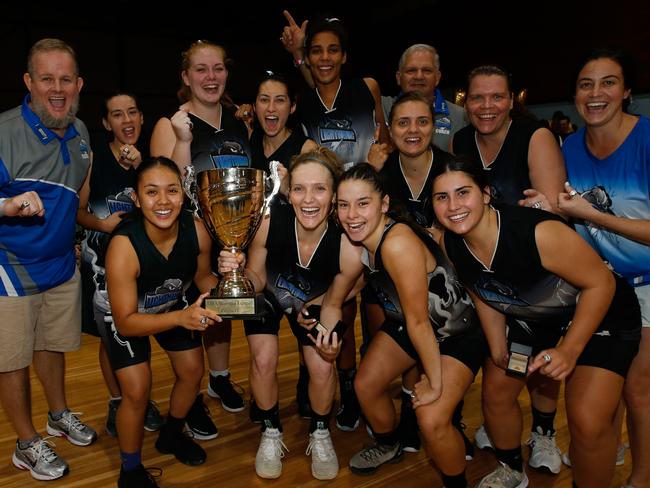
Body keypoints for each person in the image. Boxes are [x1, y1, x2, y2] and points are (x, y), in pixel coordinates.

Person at [431, 156, 641, 488]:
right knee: (497, 391)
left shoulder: (538, 232)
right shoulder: (452, 242)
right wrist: (498, 344)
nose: (453, 205)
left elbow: (601, 283)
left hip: (601, 311)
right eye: (441, 197)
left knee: (587, 420)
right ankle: (513, 469)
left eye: (463, 193)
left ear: (486, 194)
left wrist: (570, 350)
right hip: (536, 315)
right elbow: (483, 291)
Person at [332, 163, 485, 488]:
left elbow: (419, 321)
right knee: (366, 385)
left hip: (456, 333)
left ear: (383, 204)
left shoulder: (396, 243)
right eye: (343, 205)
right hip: (412, 326)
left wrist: (435, 383)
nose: (351, 214)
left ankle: (456, 484)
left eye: (363, 203)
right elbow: (354, 287)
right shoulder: (363, 241)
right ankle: (390, 444)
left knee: (431, 419)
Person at [217, 147, 364, 480]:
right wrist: (236, 272)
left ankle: (320, 431)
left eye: (319, 189)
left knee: (323, 367)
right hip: (269, 296)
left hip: (317, 301)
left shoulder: (348, 243)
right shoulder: (270, 221)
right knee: (263, 359)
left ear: (335, 193)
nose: (308, 198)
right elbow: (255, 280)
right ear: (288, 191)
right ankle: (270, 431)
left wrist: (328, 336)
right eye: (299, 188)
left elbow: (341, 296)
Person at [452, 64, 568, 474]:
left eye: (496, 96)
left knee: (536, 366)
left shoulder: (535, 137)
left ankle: (544, 434)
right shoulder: (462, 139)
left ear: (513, 100)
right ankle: (503, 433)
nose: (487, 106)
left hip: (537, 280)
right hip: (488, 277)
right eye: (478, 97)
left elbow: (553, 210)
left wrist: (528, 212)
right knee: (499, 361)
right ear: (466, 102)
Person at [280, 11, 389, 432]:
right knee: (335, 299)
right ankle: (335, 379)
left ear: (344, 55)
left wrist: (379, 160)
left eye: (332, 50)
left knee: (370, 302)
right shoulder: (303, 101)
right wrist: (297, 58)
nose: (325, 58)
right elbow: (313, 83)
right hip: (325, 213)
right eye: (316, 51)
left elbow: (381, 136)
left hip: (363, 211)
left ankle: (367, 381)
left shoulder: (367, 89)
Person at [0, 38, 97, 482]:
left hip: (60, 264)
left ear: (77, 84)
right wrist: (6, 207)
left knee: (52, 346)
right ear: (29, 82)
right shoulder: (3, 132)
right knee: (12, 359)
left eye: (65, 80)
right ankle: (25, 442)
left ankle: (58, 414)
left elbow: (74, 200)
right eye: (46, 79)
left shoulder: (81, 134)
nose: (57, 89)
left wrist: (79, 235)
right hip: (11, 268)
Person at [560, 48, 650, 488]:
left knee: (637, 389)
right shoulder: (567, 146)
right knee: (601, 397)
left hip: (647, 284)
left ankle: (641, 476)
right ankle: (605, 452)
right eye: (585, 84)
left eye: (608, 82)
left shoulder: (648, 140)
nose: (596, 93)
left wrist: (591, 215)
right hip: (593, 290)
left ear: (627, 91)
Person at [103, 156, 222, 488]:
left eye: (172, 190)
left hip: (172, 301)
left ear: (183, 195)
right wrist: (181, 318)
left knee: (192, 372)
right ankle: (129, 470)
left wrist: (238, 291)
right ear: (137, 199)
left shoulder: (197, 229)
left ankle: (171, 435)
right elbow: (126, 323)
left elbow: (202, 277)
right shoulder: (124, 246)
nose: (163, 201)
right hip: (124, 313)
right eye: (152, 192)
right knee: (138, 391)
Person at [150, 40, 247, 436]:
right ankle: (189, 399)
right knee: (191, 316)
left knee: (220, 309)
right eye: (202, 70)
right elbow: (164, 189)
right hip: (186, 238)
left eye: (218, 69)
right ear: (186, 76)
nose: (211, 77)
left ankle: (219, 376)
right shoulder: (168, 123)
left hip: (229, 237)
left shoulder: (239, 121)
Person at [77, 91, 163, 438]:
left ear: (141, 117)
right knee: (108, 337)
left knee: (138, 335)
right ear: (105, 123)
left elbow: (162, 210)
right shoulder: (94, 160)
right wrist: (103, 225)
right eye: (117, 114)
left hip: (141, 264)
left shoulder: (149, 163)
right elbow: (78, 212)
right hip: (101, 265)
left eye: (132, 112)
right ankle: (118, 400)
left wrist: (141, 167)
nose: (126, 121)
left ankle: (140, 396)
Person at [381, 43, 468, 152]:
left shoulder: (460, 117)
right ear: (399, 77)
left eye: (427, 70)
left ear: (437, 77)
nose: (419, 76)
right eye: (411, 70)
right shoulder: (381, 107)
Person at [249, 69, 318, 196]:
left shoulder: (307, 150)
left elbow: (320, 200)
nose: (271, 108)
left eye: (280, 100)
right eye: (264, 100)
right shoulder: (250, 140)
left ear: (292, 107)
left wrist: (288, 188)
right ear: (254, 106)